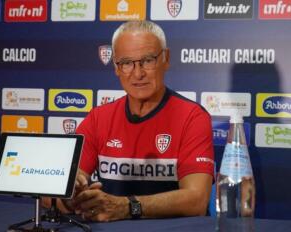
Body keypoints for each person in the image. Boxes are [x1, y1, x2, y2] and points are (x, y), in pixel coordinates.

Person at [46, 20, 214, 222]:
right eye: (126, 63)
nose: (138, 73)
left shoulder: (192, 117)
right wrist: (72, 196)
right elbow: (50, 192)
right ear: (116, 67)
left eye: (148, 60)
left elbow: (197, 200)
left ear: (166, 59)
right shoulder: (99, 118)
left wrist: (128, 207)